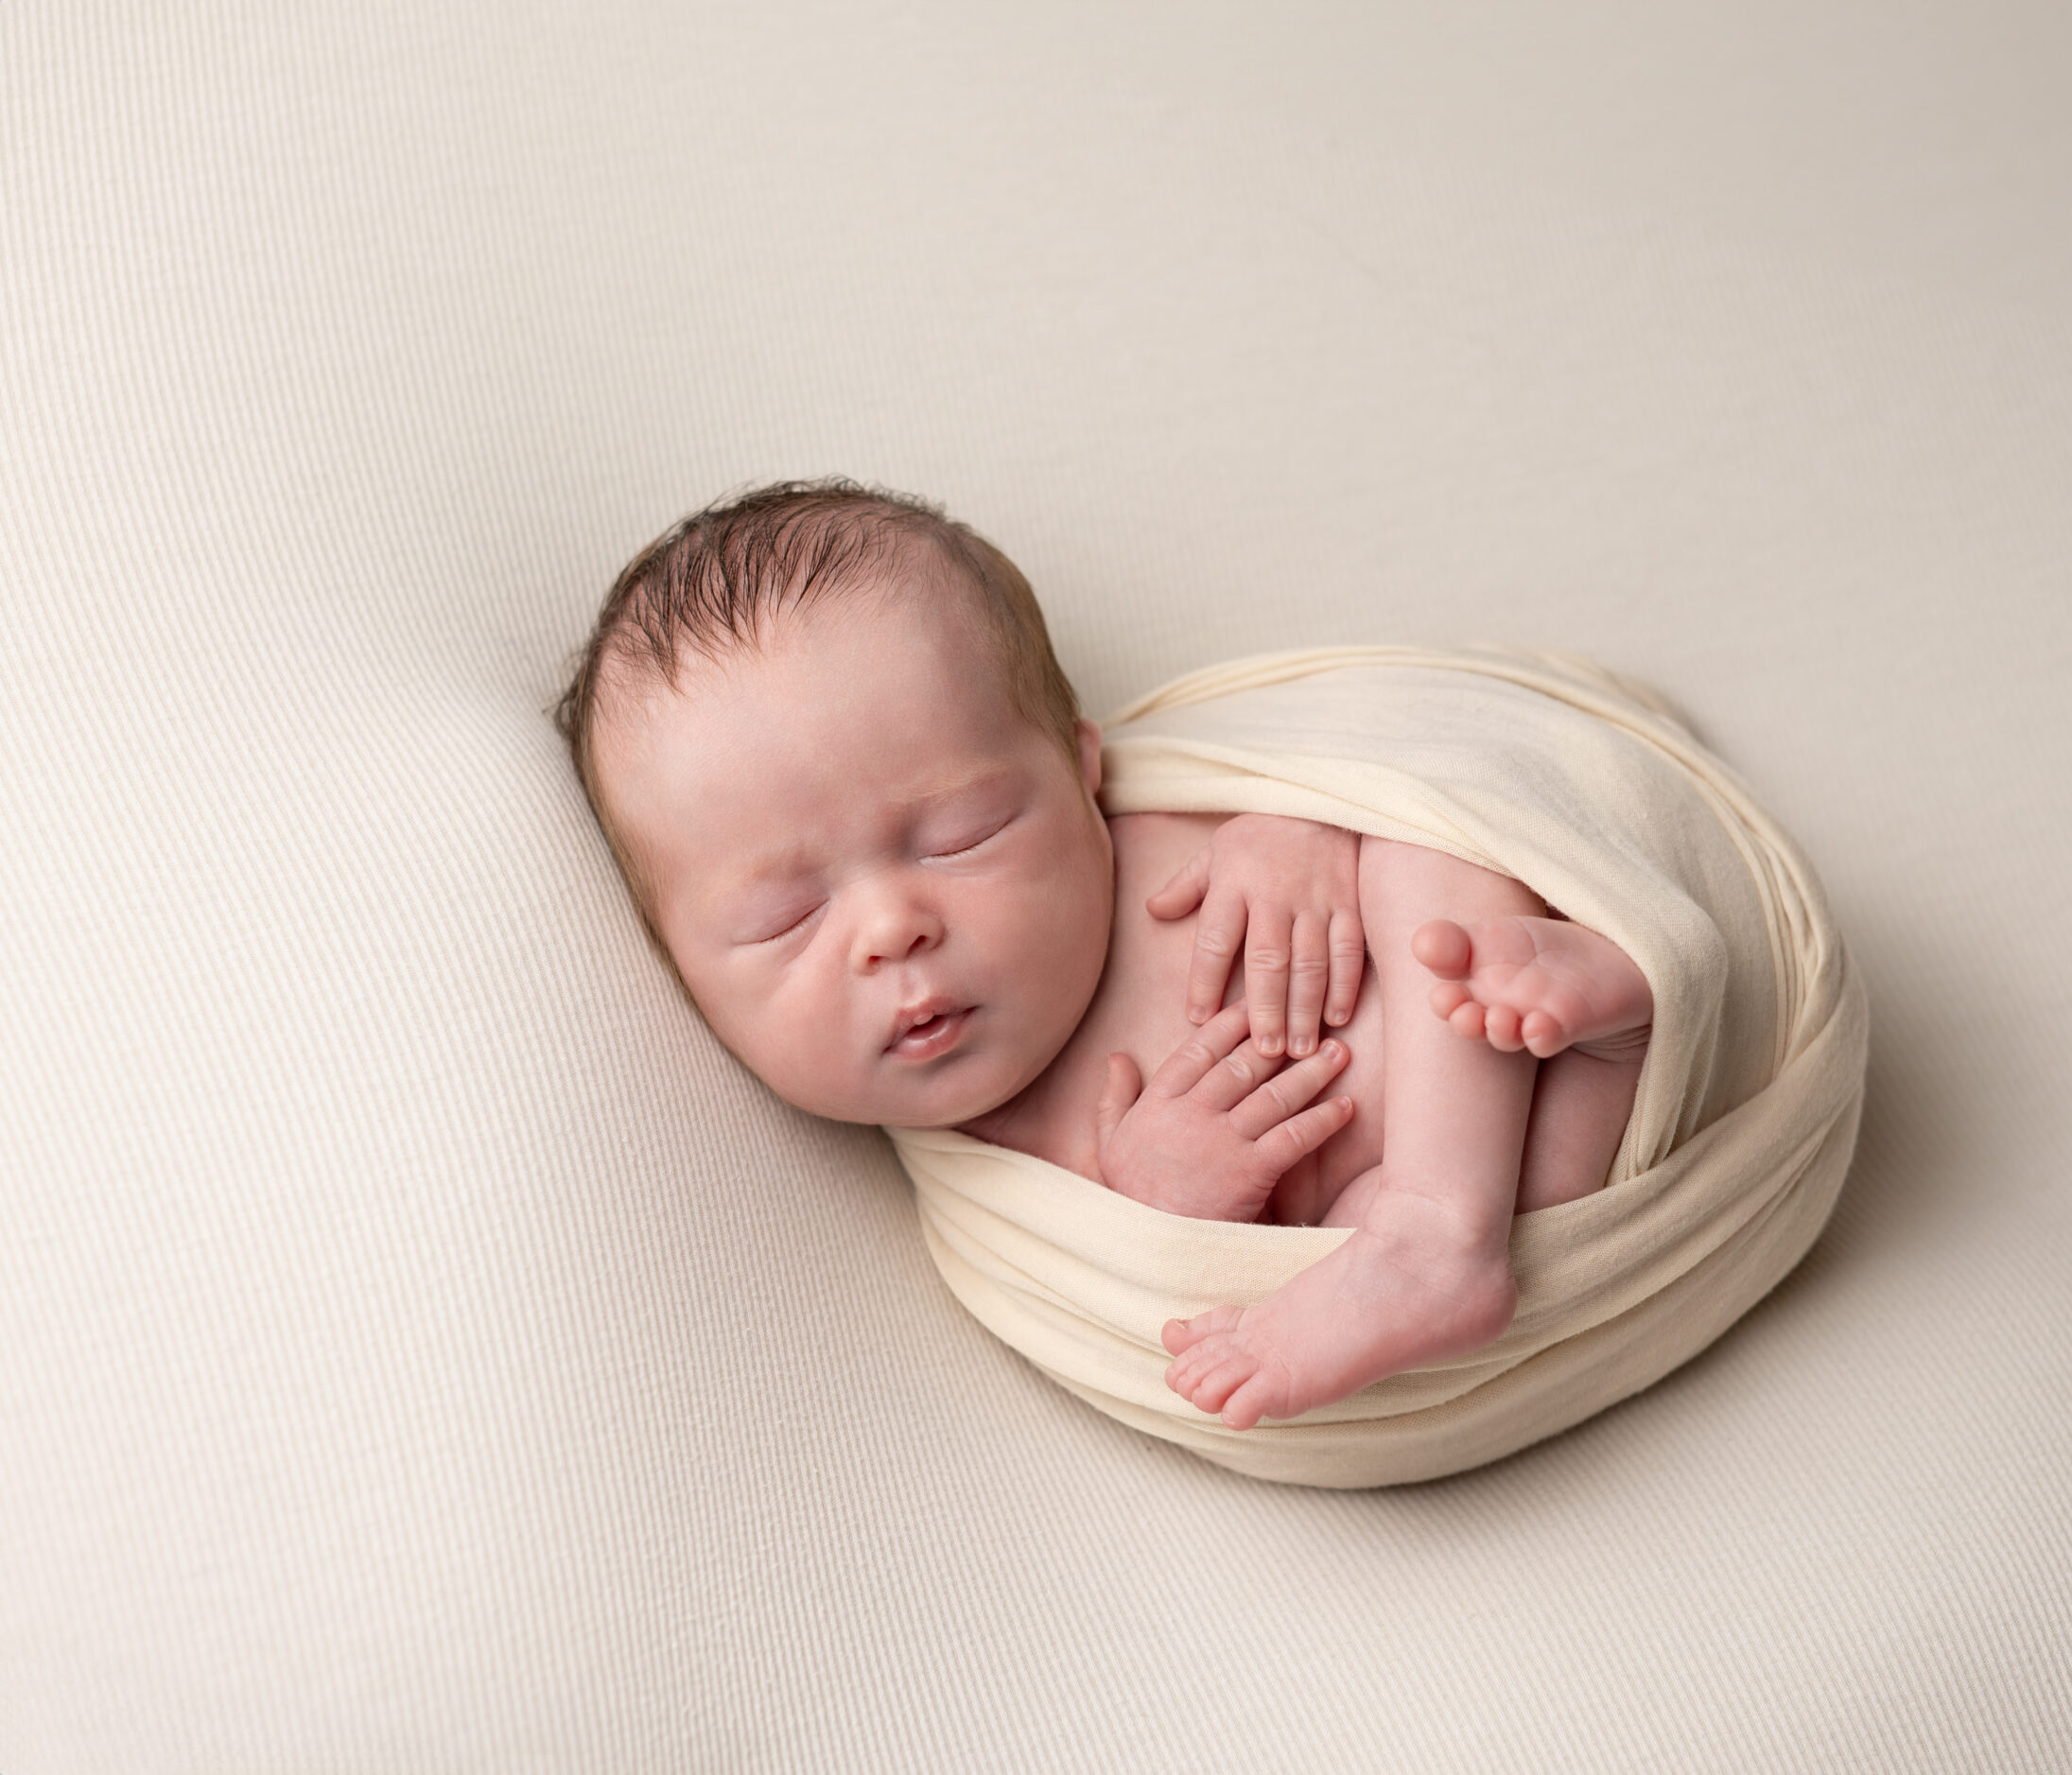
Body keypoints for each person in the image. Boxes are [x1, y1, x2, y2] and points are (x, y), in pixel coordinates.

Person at [557, 481, 1653, 1430]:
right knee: (1343, 1264)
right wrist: (1163, 1198)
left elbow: (1375, 745)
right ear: (678, 967)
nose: (891, 927)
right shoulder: (1002, 1177)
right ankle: (1578, 1082)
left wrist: (1299, 822)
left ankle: (1504, 1131)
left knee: (1426, 847)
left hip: (1464, 993)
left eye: (962, 834)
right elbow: (1147, 1315)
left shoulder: (1156, 827)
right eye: (786, 916)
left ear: (1081, 771)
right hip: (1533, 1182)